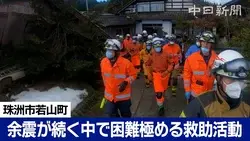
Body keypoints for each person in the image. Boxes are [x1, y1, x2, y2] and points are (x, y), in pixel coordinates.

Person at [180, 50, 250, 117]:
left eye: (240, 80)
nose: (237, 85)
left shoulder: (247, 102)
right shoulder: (199, 106)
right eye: (231, 79)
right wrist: (187, 90)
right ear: (218, 78)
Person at [100, 39, 137, 117]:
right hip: (110, 98)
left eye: (111, 50)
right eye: (107, 50)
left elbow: (133, 75)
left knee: (126, 116)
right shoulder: (103, 62)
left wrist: (126, 81)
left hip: (123, 98)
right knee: (110, 117)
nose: (108, 52)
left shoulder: (126, 63)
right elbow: (104, 77)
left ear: (117, 52)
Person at [183, 31, 218, 103]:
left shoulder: (217, 58)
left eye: (208, 43)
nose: (205, 45)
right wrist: (187, 90)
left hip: (210, 93)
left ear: (211, 44)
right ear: (200, 42)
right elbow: (186, 75)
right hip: (195, 94)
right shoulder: (191, 58)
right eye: (203, 42)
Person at [146, 37, 174, 116]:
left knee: (163, 91)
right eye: (156, 47)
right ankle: (161, 108)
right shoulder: (151, 54)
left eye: (159, 46)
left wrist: (167, 71)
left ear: (161, 46)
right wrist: (149, 73)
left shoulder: (166, 54)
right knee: (159, 93)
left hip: (165, 74)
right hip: (156, 75)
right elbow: (147, 64)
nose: (157, 48)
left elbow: (171, 64)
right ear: (153, 47)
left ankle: (161, 101)